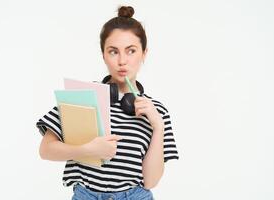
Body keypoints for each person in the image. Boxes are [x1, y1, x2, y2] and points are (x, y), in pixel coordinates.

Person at [36, 5, 179, 200]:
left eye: (131, 51)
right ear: (103, 54)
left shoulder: (157, 111)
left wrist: (158, 126)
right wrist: (86, 150)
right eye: (113, 51)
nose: (122, 61)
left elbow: (151, 181)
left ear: (144, 53)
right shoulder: (82, 96)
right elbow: (46, 150)